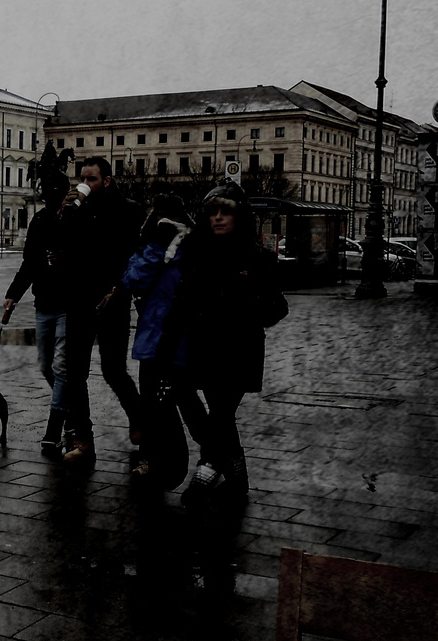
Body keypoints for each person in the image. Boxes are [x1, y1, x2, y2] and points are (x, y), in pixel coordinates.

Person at [169, 179, 288, 507]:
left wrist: (246, 308)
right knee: (200, 402)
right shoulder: (195, 253)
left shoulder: (258, 258)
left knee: (222, 411)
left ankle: (208, 466)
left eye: (226, 212)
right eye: (212, 212)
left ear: (240, 217)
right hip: (203, 346)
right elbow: (181, 300)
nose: (218, 218)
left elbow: (277, 305)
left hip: (239, 349)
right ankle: (237, 476)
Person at [55, 156, 144, 466]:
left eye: (91, 179)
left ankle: (139, 418)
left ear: (106, 180)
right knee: (74, 372)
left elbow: (125, 252)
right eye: (82, 178)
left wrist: (118, 290)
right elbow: (66, 245)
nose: (85, 184)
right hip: (80, 299)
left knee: (113, 370)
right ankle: (83, 439)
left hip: (112, 299)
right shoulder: (76, 210)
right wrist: (67, 213)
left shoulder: (128, 210)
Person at [121, 195, 203, 485]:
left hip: (180, 339)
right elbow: (133, 280)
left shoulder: (193, 248)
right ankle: (157, 461)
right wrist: (158, 247)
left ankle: (215, 455)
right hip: (152, 338)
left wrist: (176, 246)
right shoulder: (149, 246)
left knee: (184, 402)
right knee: (153, 405)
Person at [2, 171, 71, 454]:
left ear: (65, 192)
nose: (49, 193)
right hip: (43, 303)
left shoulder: (73, 220)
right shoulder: (39, 220)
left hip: (69, 303)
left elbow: (90, 257)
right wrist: (12, 295)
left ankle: (54, 428)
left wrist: (67, 257)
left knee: (61, 367)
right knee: (46, 366)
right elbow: (29, 262)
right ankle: (70, 406)